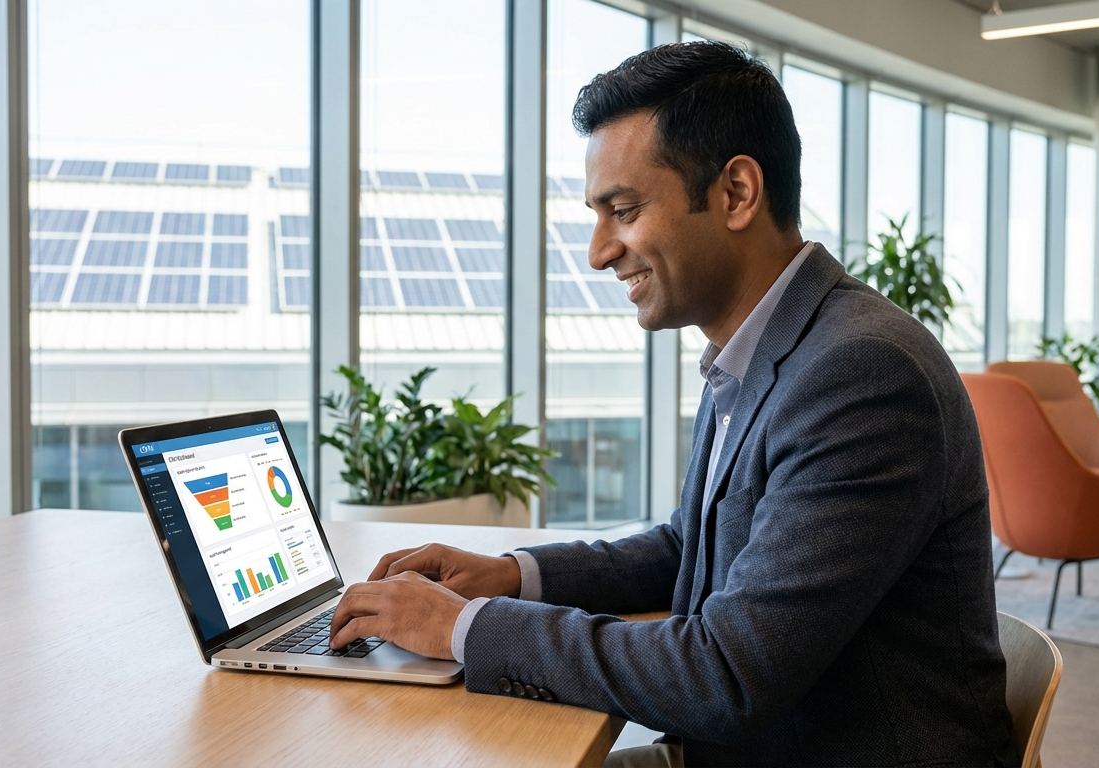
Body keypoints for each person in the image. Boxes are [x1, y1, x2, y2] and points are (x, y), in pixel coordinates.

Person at [329, 41, 1017, 767]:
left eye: (623, 210)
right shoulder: (767, 351)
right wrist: (515, 575)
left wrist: (466, 628)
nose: (599, 251)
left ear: (737, 193)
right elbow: (694, 548)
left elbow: (726, 674)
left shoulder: (862, 372)